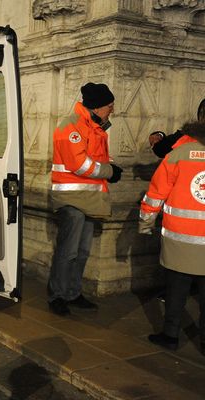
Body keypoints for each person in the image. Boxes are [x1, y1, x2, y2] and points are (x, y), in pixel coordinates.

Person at [48, 82, 123, 316]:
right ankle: (57, 296)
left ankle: (72, 292)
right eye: (110, 105)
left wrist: (107, 171)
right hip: (71, 200)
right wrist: (110, 171)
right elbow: (79, 164)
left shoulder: (94, 127)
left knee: (81, 252)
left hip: (89, 199)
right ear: (98, 107)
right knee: (68, 251)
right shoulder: (71, 126)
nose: (112, 109)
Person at [139, 120, 205, 354]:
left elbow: (156, 193)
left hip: (180, 238)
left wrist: (145, 224)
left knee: (176, 290)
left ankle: (170, 335)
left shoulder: (177, 155)